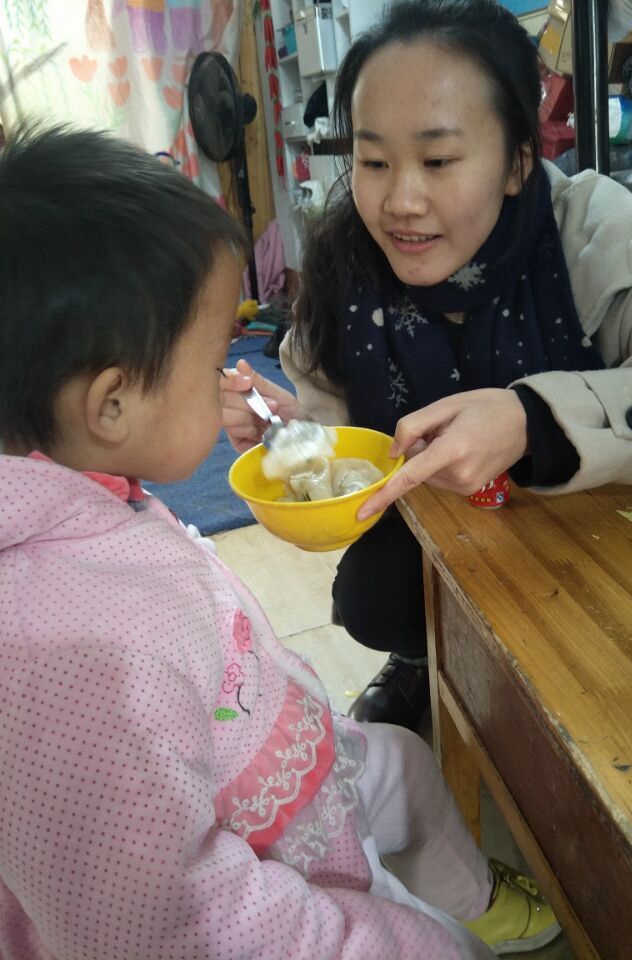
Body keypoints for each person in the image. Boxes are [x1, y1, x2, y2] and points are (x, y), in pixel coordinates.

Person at [0, 124, 562, 959]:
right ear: (111, 406)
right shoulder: (63, 658)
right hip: (273, 861)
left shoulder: (89, 487)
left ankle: (475, 901)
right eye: (213, 357)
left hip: (283, 757)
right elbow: (179, 928)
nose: (231, 375)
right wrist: (399, 939)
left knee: (408, 765)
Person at [222, 0, 632, 730]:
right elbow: (349, 432)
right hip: (458, 541)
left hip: (608, 525)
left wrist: (532, 419)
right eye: (373, 162)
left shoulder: (594, 229)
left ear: (518, 160)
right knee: (374, 596)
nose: (400, 201)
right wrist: (299, 433)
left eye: (438, 160)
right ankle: (424, 660)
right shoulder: (344, 266)